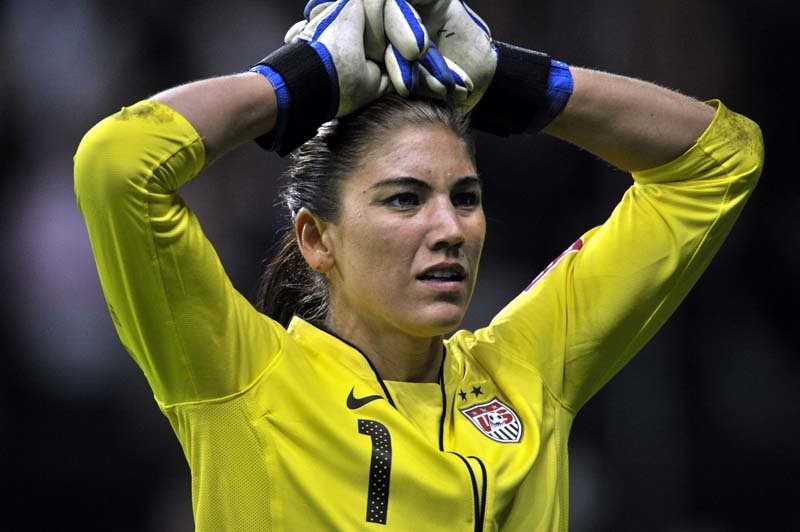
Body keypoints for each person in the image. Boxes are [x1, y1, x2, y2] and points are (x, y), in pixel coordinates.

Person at [74, 0, 763, 530]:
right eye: (404, 199)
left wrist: (508, 80)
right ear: (317, 240)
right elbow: (117, 164)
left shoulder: (525, 371)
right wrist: (302, 77)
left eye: (465, 198)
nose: (450, 229)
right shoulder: (244, 382)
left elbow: (720, 160)